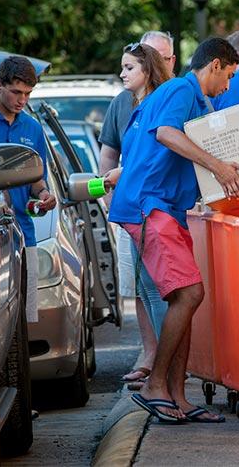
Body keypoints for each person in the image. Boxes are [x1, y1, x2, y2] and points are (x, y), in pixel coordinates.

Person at [109, 37, 239, 423]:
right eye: (229, 75)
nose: (228, 86)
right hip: (149, 205)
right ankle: (155, 386)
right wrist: (219, 166)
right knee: (189, 294)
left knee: (185, 298)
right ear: (215, 65)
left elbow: (178, 151)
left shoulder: (192, 97)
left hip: (166, 206)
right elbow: (166, 134)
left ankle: (177, 396)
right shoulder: (181, 90)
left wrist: (222, 166)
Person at [98, 30, 176, 387]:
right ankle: (159, 365)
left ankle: (168, 370)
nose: (123, 74)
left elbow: (152, 158)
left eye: (129, 67)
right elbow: (114, 152)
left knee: (165, 290)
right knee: (144, 288)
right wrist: (109, 187)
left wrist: (121, 175)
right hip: (134, 210)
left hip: (156, 208)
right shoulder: (131, 104)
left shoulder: (167, 101)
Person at [0, 56, 57, 324]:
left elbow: (38, 181)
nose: (23, 100)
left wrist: (44, 196)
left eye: (28, 93)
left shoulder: (33, 128)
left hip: (25, 234)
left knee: (23, 319)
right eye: (16, 92)